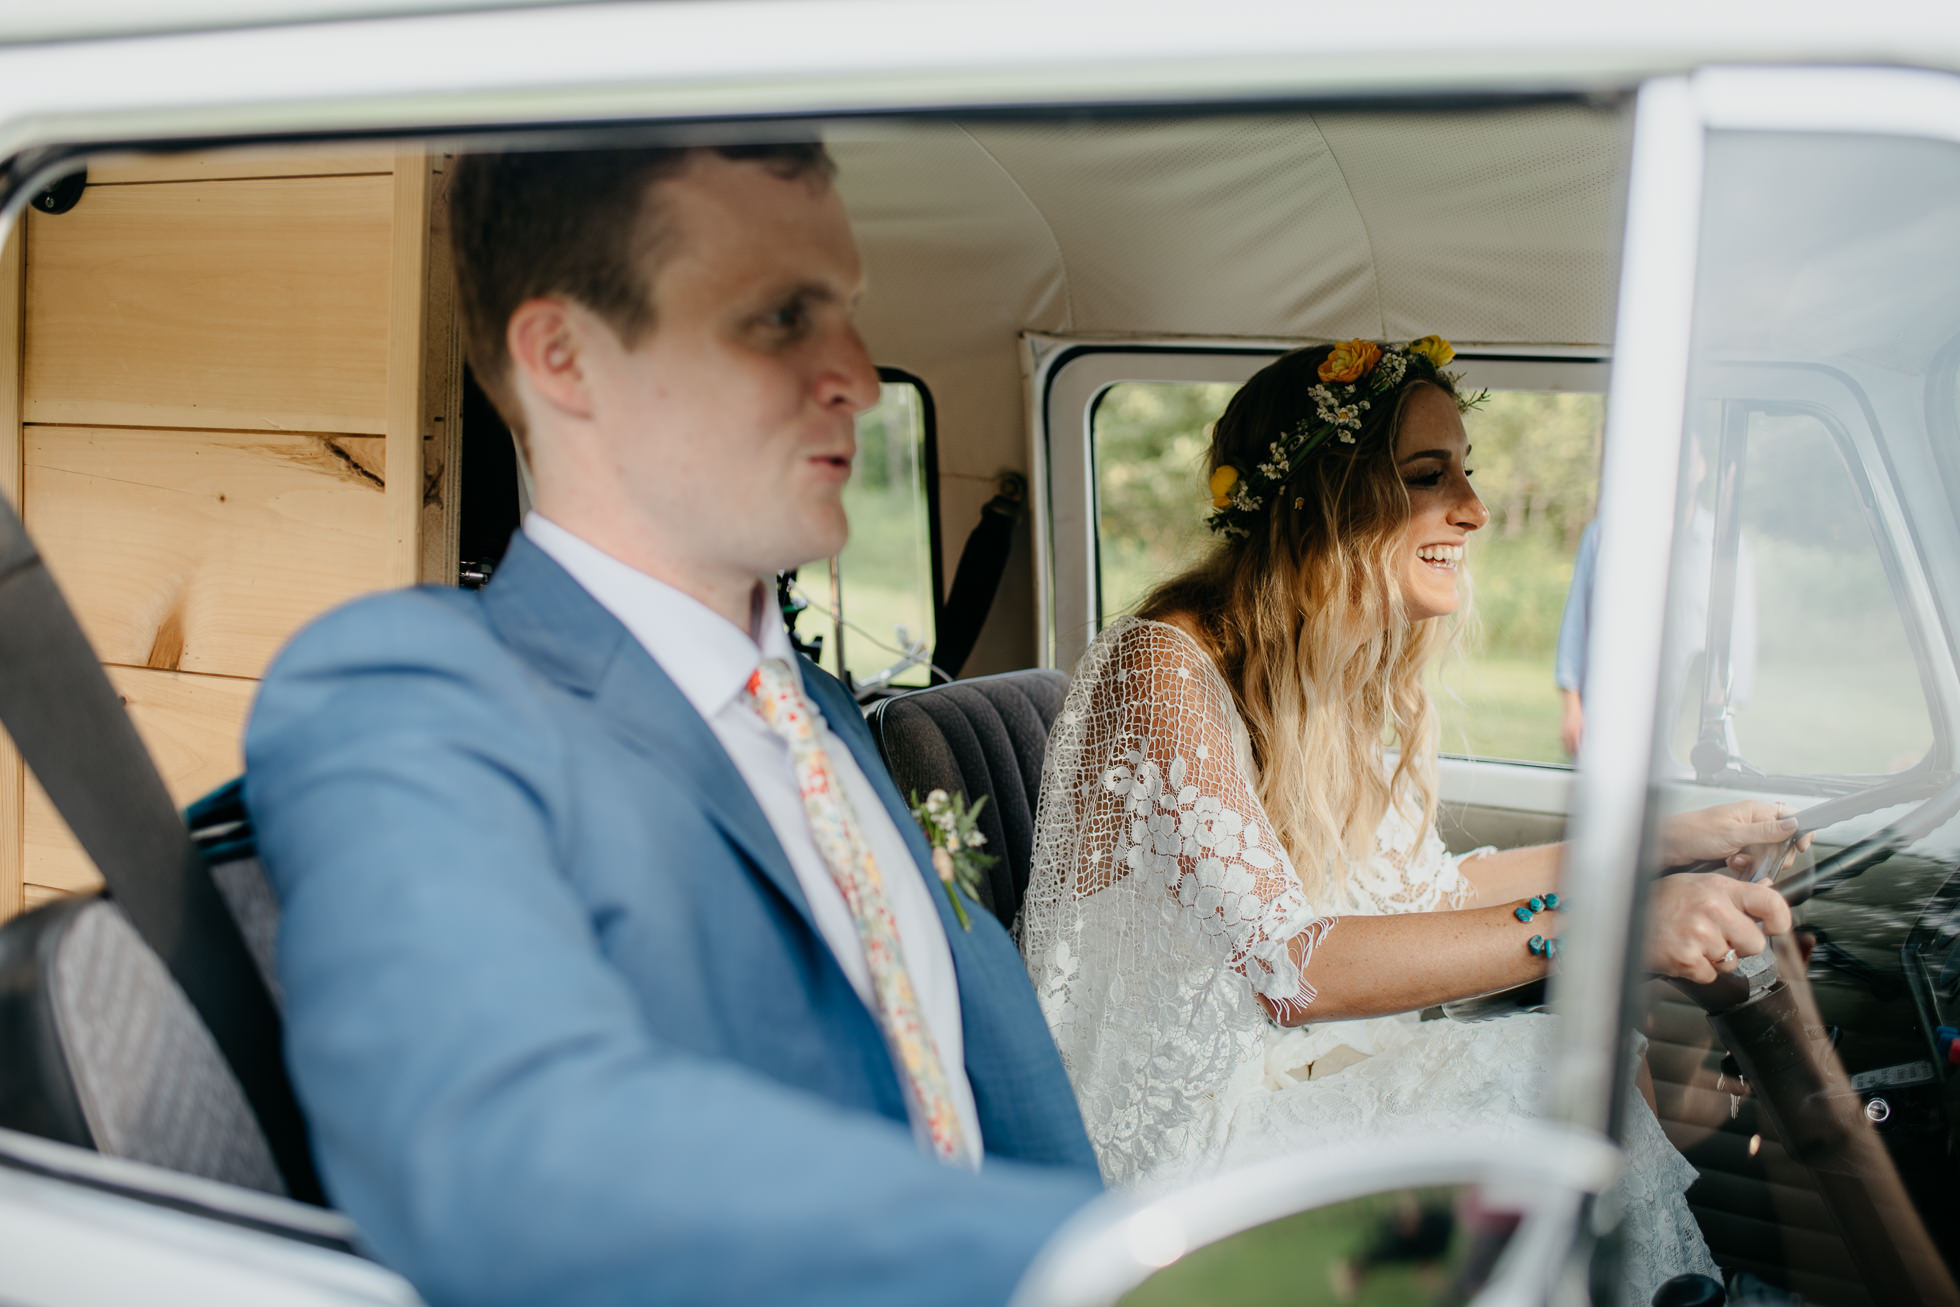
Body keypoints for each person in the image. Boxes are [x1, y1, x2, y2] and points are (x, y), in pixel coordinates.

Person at [243, 142, 1101, 1307]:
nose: (855, 373)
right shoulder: (411, 694)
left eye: (846, 312)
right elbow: (510, 1152)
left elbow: (993, 1072)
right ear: (564, 358)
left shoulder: (830, 718)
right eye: (781, 317)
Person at [1019, 338, 1797, 1304]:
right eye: (1430, 477)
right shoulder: (1163, 668)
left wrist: (1664, 844)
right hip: (1180, 1138)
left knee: (1580, 1071)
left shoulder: (1333, 674)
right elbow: (1292, 968)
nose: (1470, 509)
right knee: (1552, 1089)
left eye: (1463, 474)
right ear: (1323, 499)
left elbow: (1427, 891)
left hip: (1289, 1077)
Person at [1556, 436, 1757, 761]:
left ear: (1701, 467)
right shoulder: (1602, 535)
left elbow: (1741, 632)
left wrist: (1722, 709)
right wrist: (1572, 705)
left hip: (1689, 719)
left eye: (1686, 459)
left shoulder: (1723, 543)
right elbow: (1576, 622)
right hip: (1613, 710)